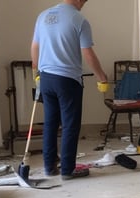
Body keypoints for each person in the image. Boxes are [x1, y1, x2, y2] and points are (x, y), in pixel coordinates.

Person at [31, 0, 108, 180]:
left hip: (46, 78)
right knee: (70, 125)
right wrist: (101, 76)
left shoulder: (43, 16)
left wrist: (37, 73)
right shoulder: (79, 19)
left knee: (50, 123)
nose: (84, 5)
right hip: (67, 80)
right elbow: (87, 53)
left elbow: (34, 47)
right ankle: (67, 169)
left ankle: (49, 166)